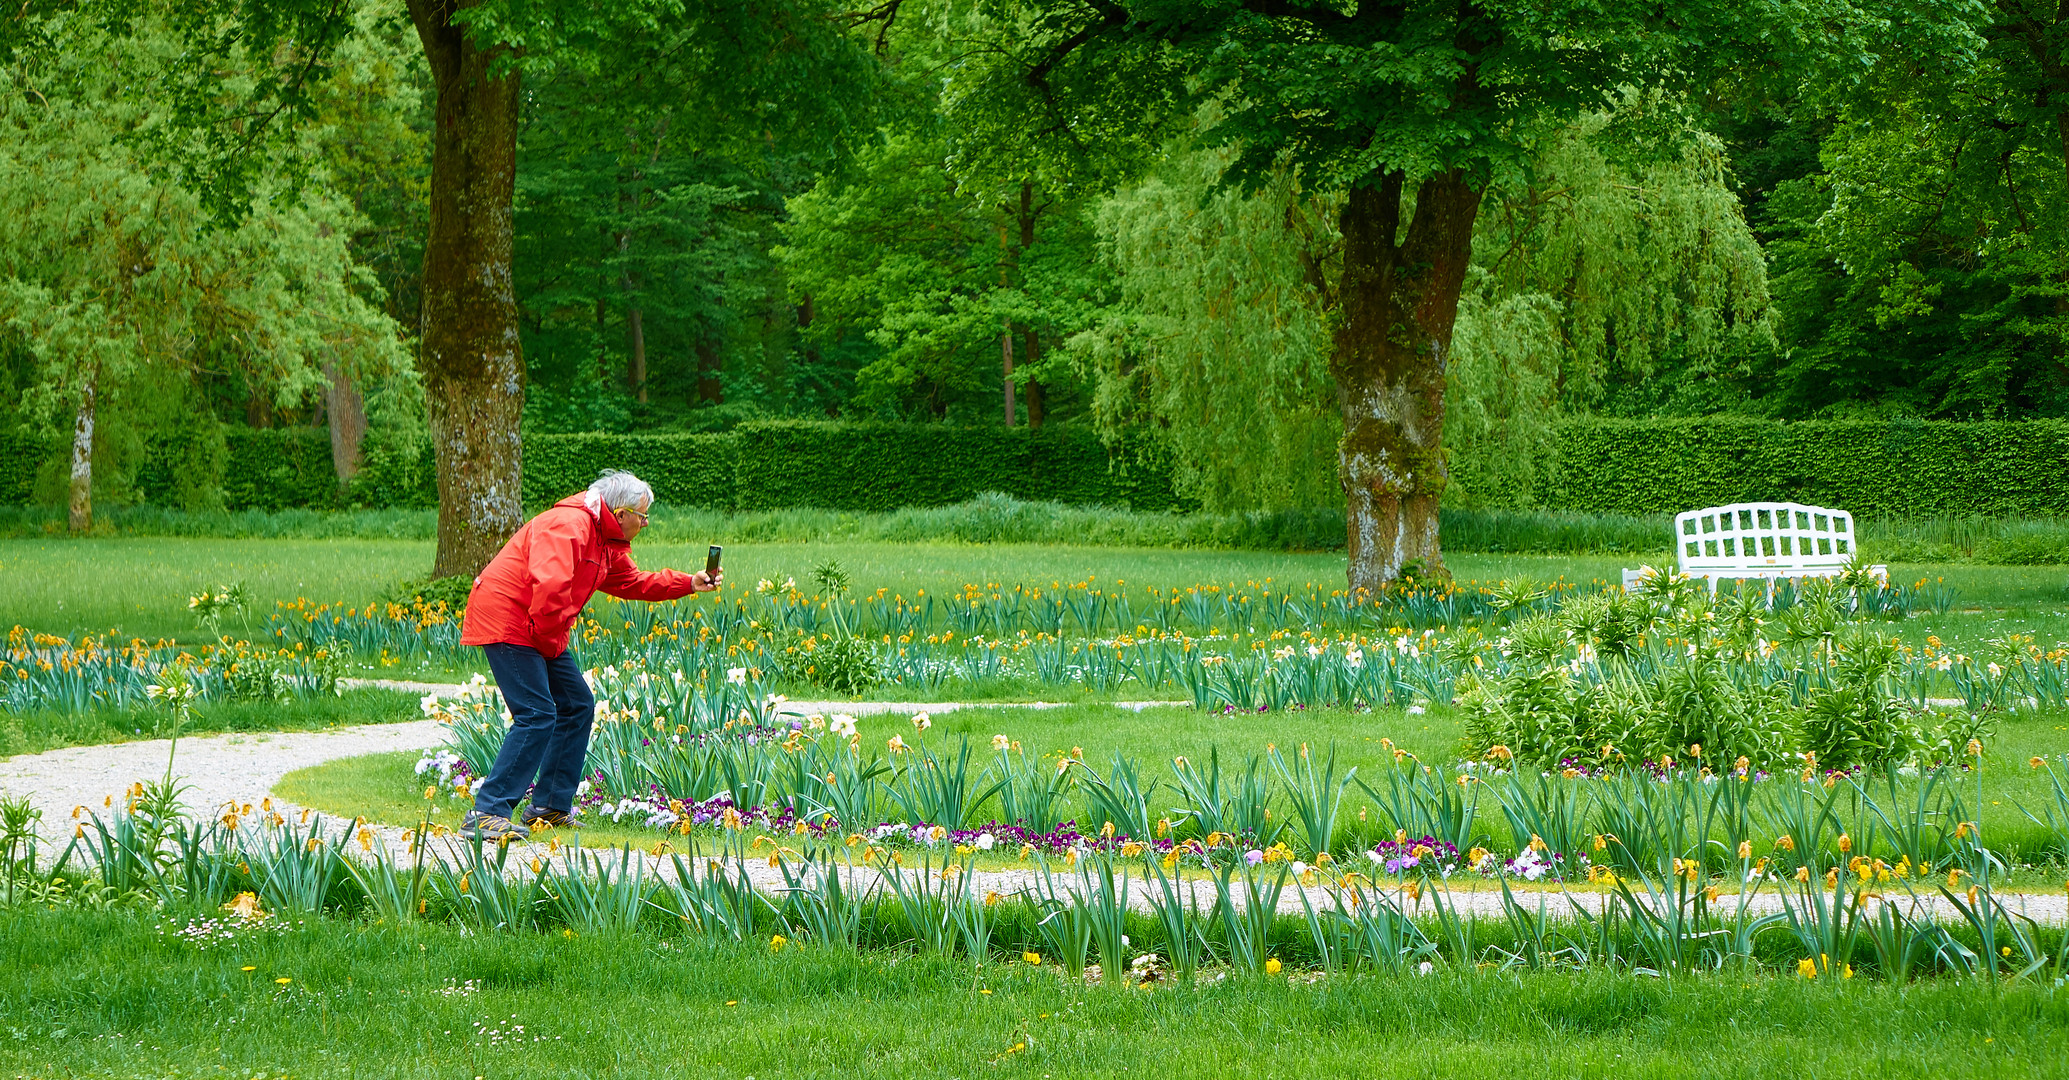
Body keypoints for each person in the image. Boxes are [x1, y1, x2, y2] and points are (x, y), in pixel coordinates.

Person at [455, 469, 720, 840]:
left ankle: (548, 806)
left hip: (539, 625)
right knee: (537, 714)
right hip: (510, 617)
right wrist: (548, 641)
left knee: (577, 703)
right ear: (621, 513)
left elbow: (631, 581)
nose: (645, 524)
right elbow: (550, 588)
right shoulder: (571, 526)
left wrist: (688, 583)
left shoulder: (603, 538)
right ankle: (487, 811)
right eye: (642, 516)